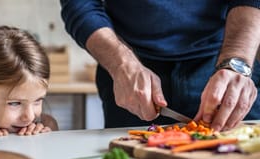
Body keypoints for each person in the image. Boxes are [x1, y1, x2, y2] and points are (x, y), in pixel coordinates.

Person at [60, 1, 260, 131]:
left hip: (224, 63)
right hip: (130, 71)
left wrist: (237, 64)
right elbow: (80, 4)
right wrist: (123, 64)